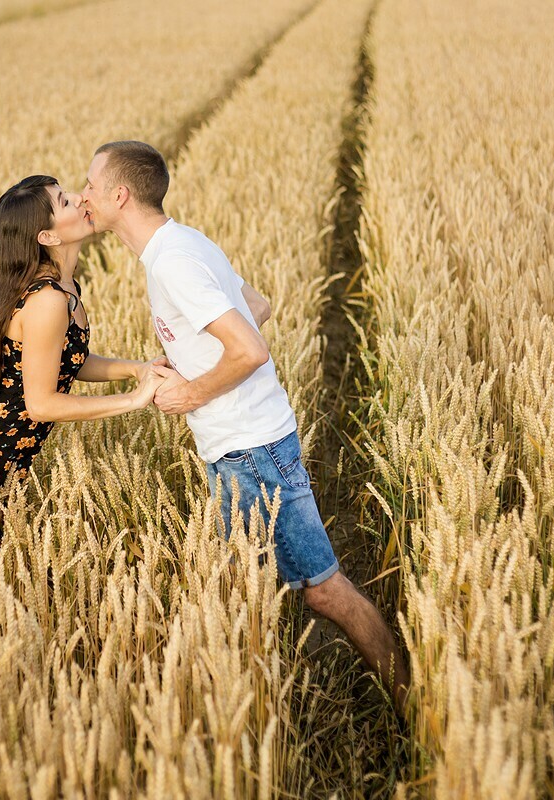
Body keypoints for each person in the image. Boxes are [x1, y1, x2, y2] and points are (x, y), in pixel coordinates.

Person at [79, 141, 410, 713]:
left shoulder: (173, 262)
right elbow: (256, 304)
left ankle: (413, 706)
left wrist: (192, 390)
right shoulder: (182, 243)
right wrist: (197, 359)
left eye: (89, 184)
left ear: (119, 194)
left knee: (321, 590)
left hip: (248, 449)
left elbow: (251, 347)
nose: (82, 194)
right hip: (247, 443)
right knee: (247, 592)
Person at [0, 174, 166, 541]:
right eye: (63, 202)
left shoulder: (64, 285)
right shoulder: (47, 301)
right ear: (48, 236)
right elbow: (41, 404)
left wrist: (137, 370)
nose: (78, 198)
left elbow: (67, 361)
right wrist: (133, 400)